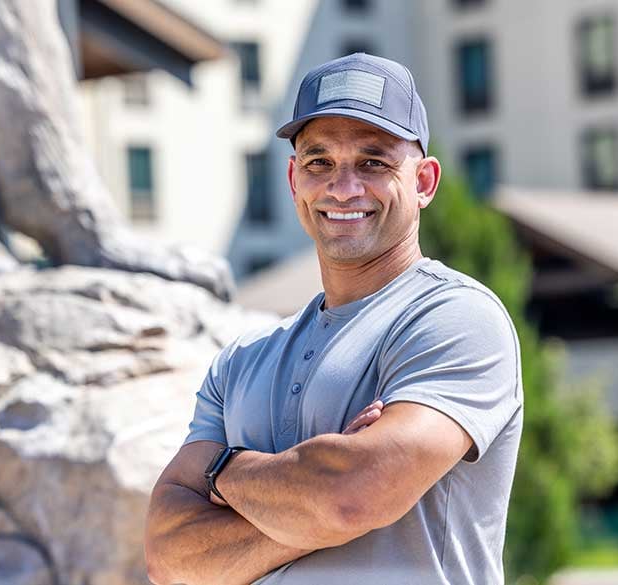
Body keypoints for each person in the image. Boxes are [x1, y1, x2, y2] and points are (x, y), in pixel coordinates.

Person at [144, 53, 523, 585]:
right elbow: (169, 557)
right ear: (294, 179)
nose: (343, 189)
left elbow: (349, 498)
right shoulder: (241, 360)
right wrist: (312, 495)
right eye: (320, 162)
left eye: (373, 162)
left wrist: (217, 472)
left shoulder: (456, 318)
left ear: (424, 182)